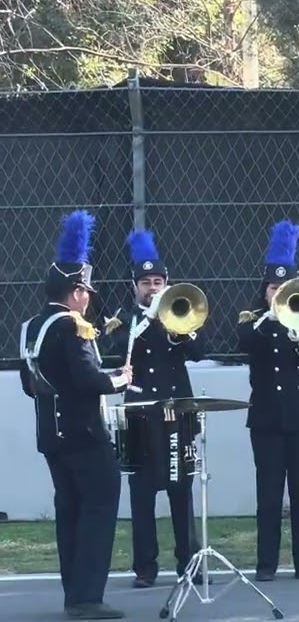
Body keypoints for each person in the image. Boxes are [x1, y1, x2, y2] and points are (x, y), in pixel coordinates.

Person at [18, 210, 133, 620]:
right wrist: (120, 379)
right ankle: (87, 598)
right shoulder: (73, 326)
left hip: (51, 435)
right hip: (84, 434)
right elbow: (88, 380)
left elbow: (29, 384)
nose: (88, 297)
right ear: (75, 290)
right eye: (85, 289)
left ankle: (75, 594)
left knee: (69, 511)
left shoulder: (31, 327)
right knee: (99, 508)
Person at [104, 228, 206, 588]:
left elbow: (200, 352)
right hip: (140, 417)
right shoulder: (123, 319)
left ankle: (189, 564)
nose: (152, 287)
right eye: (146, 282)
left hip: (178, 413)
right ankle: (145, 568)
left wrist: (177, 327)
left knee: (182, 491)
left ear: (167, 283)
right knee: (142, 494)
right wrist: (148, 319)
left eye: (158, 282)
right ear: (135, 286)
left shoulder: (180, 312)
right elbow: (117, 351)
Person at [236, 220, 299, 582]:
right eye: (273, 288)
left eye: (284, 288)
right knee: (269, 494)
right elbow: (243, 343)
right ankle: (267, 563)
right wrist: (270, 319)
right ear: (264, 291)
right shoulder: (253, 322)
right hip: (266, 420)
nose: (278, 293)